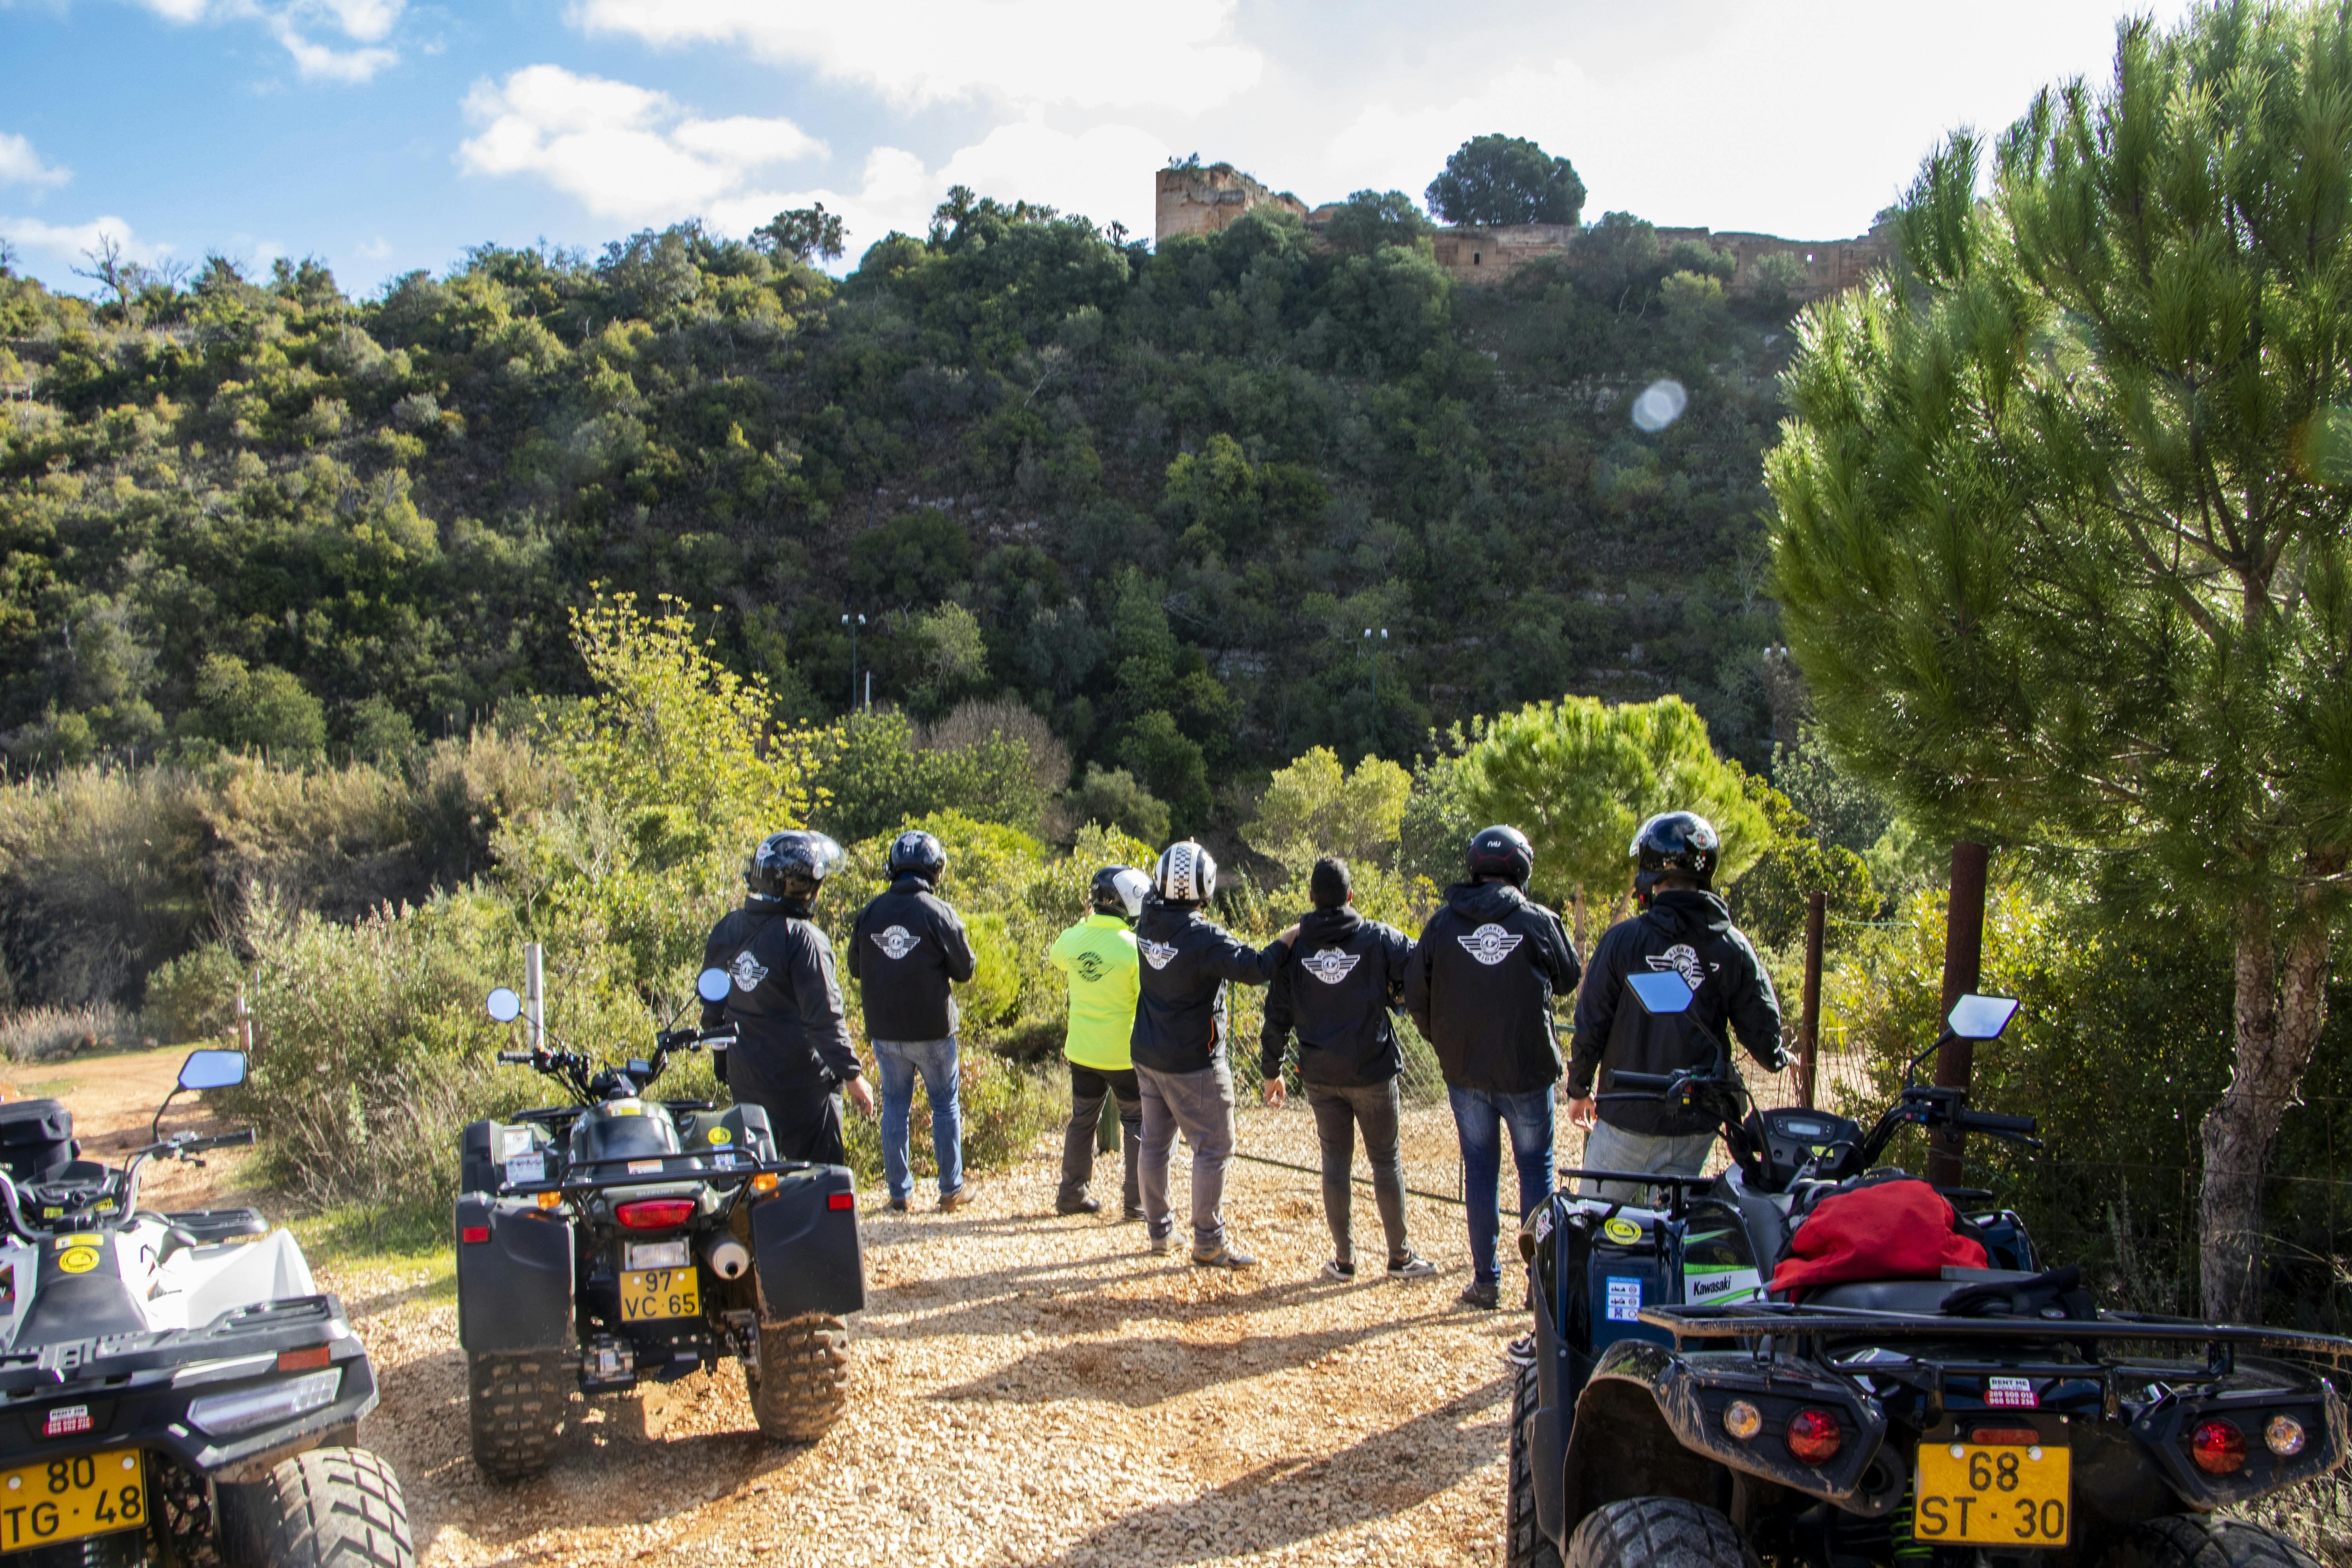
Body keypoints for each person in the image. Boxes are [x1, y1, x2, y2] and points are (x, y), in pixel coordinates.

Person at [1566, 811, 1785, 1204]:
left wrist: (1579, 1086)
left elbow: (1591, 1020)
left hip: (1625, 1114)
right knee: (1672, 1232)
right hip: (1696, 1120)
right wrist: (1778, 1056)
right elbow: (1766, 1035)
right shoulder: (1732, 945)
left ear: (1650, 870)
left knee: (1592, 1224)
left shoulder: (1623, 941)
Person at [1406, 825, 1582, 1310]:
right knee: (1536, 1173)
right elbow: (1568, 977)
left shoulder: (1443, 923)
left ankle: (1486, 1282)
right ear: (1521, 867)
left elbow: (1415, 993)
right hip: (1527, 1070)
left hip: (1465, 1072)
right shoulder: (1539, 919)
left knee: (1481, 1173)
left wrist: (1442, 1039)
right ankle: (1539, 1286)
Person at [1259, 856, 1436, 1283]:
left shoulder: (1295, 949)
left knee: (1335, 1161)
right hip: (1372, 1069)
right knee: (1386, 1161)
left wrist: (1271, 1071)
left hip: (1320, 1073)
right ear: (1351, 896)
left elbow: (1276, 1014)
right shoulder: (1375, 937)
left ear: (1311, 898)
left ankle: (1344, 1260)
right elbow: (1421, 963)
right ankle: (1399, 1256)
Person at [1130, 840, 1297, 1270]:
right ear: (1203, 885)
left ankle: (1160, 1231)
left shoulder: (1147, 918)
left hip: (1149, 1051)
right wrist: (1288, 938)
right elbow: (1257, 967)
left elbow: (1155, 895)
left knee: (1155, 1142)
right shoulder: (1202, 937)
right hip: (1193, 1062)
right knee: (1215, 1146)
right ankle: (1208, 1240)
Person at [700, 829, 874, 1165]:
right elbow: (824, 1018)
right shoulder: (804, 939)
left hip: (747, 1081)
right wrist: (853, 1076)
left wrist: (722, 1064)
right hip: (802, 1089)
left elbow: (712, 1007)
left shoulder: (729, 928)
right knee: (818, 1184)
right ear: (803, 888)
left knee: (757, 1182)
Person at [849, 829, 979, 1212]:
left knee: (895, 1106)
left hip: (885, 1030)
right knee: (944, 1105)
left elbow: (855, 968)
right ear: (935, 869)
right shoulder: (938, 912)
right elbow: (965, 969)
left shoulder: (870, 911)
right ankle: (951, 1189)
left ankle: (899, 1193)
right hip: (933, 1029)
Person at [1045, 865, 1153, 1219]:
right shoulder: (1133, 946)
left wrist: (1084, 923)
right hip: (1123, 1054)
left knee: (1082, 1121)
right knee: (1137, 1123)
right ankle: (1137, 1204)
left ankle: (1072, 1195)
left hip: (1082, 1049)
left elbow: (1057, 957)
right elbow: (1147, 997)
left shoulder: (1074, 938)